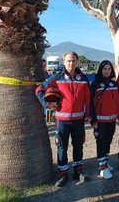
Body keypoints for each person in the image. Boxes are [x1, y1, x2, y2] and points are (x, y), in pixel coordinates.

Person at [36, 51, 90, 187]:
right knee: (62, 147)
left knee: (78, 146)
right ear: (63, 62)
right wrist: (48, 104)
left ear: (77, 62)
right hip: (62, 120)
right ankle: (63, 174)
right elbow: (38, 90)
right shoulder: (56, 77)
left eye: (73, 61)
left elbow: (87, 99)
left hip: (78, 119)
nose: (71, 63)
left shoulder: (83, 78)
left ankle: (78, 171)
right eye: (68, 61)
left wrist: (88, 114)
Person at [89, 60, 119, 179]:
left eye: (108, 69)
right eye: (104, 69)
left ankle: (105, 162)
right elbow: (90, 103)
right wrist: (93, 120)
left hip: (112, 119)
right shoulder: (95, 84)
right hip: (100, 120)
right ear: (100, 70)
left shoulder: (114, 84)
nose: (107, 71)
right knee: (101, 142)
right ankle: (102, 167)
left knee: (108, 141)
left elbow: (118, 102)